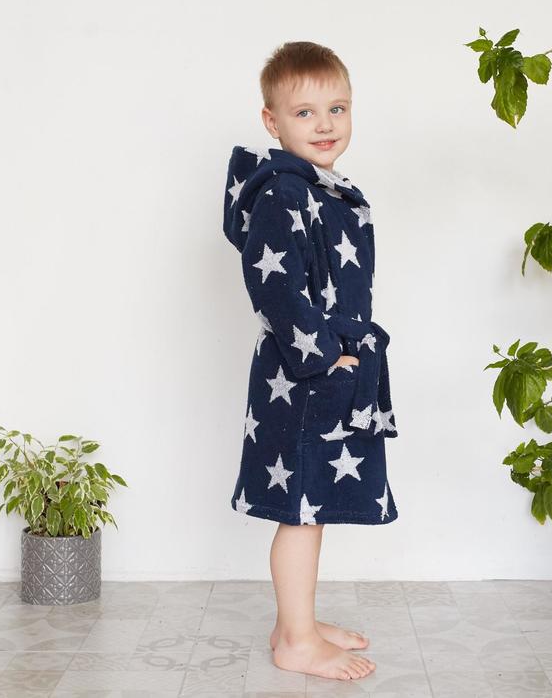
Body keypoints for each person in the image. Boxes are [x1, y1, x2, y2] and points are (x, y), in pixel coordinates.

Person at [221, 41, 399, 682]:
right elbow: (277, 290)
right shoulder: (282, 195)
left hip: (327, 371)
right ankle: (296, 642)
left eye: (337, 108)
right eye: (305, 113)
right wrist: (325, 360)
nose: (325, 124)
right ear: (272, 122)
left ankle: (294, 621)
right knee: (300, 510)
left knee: (313, 503)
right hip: (303, 377)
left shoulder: (321, 190)